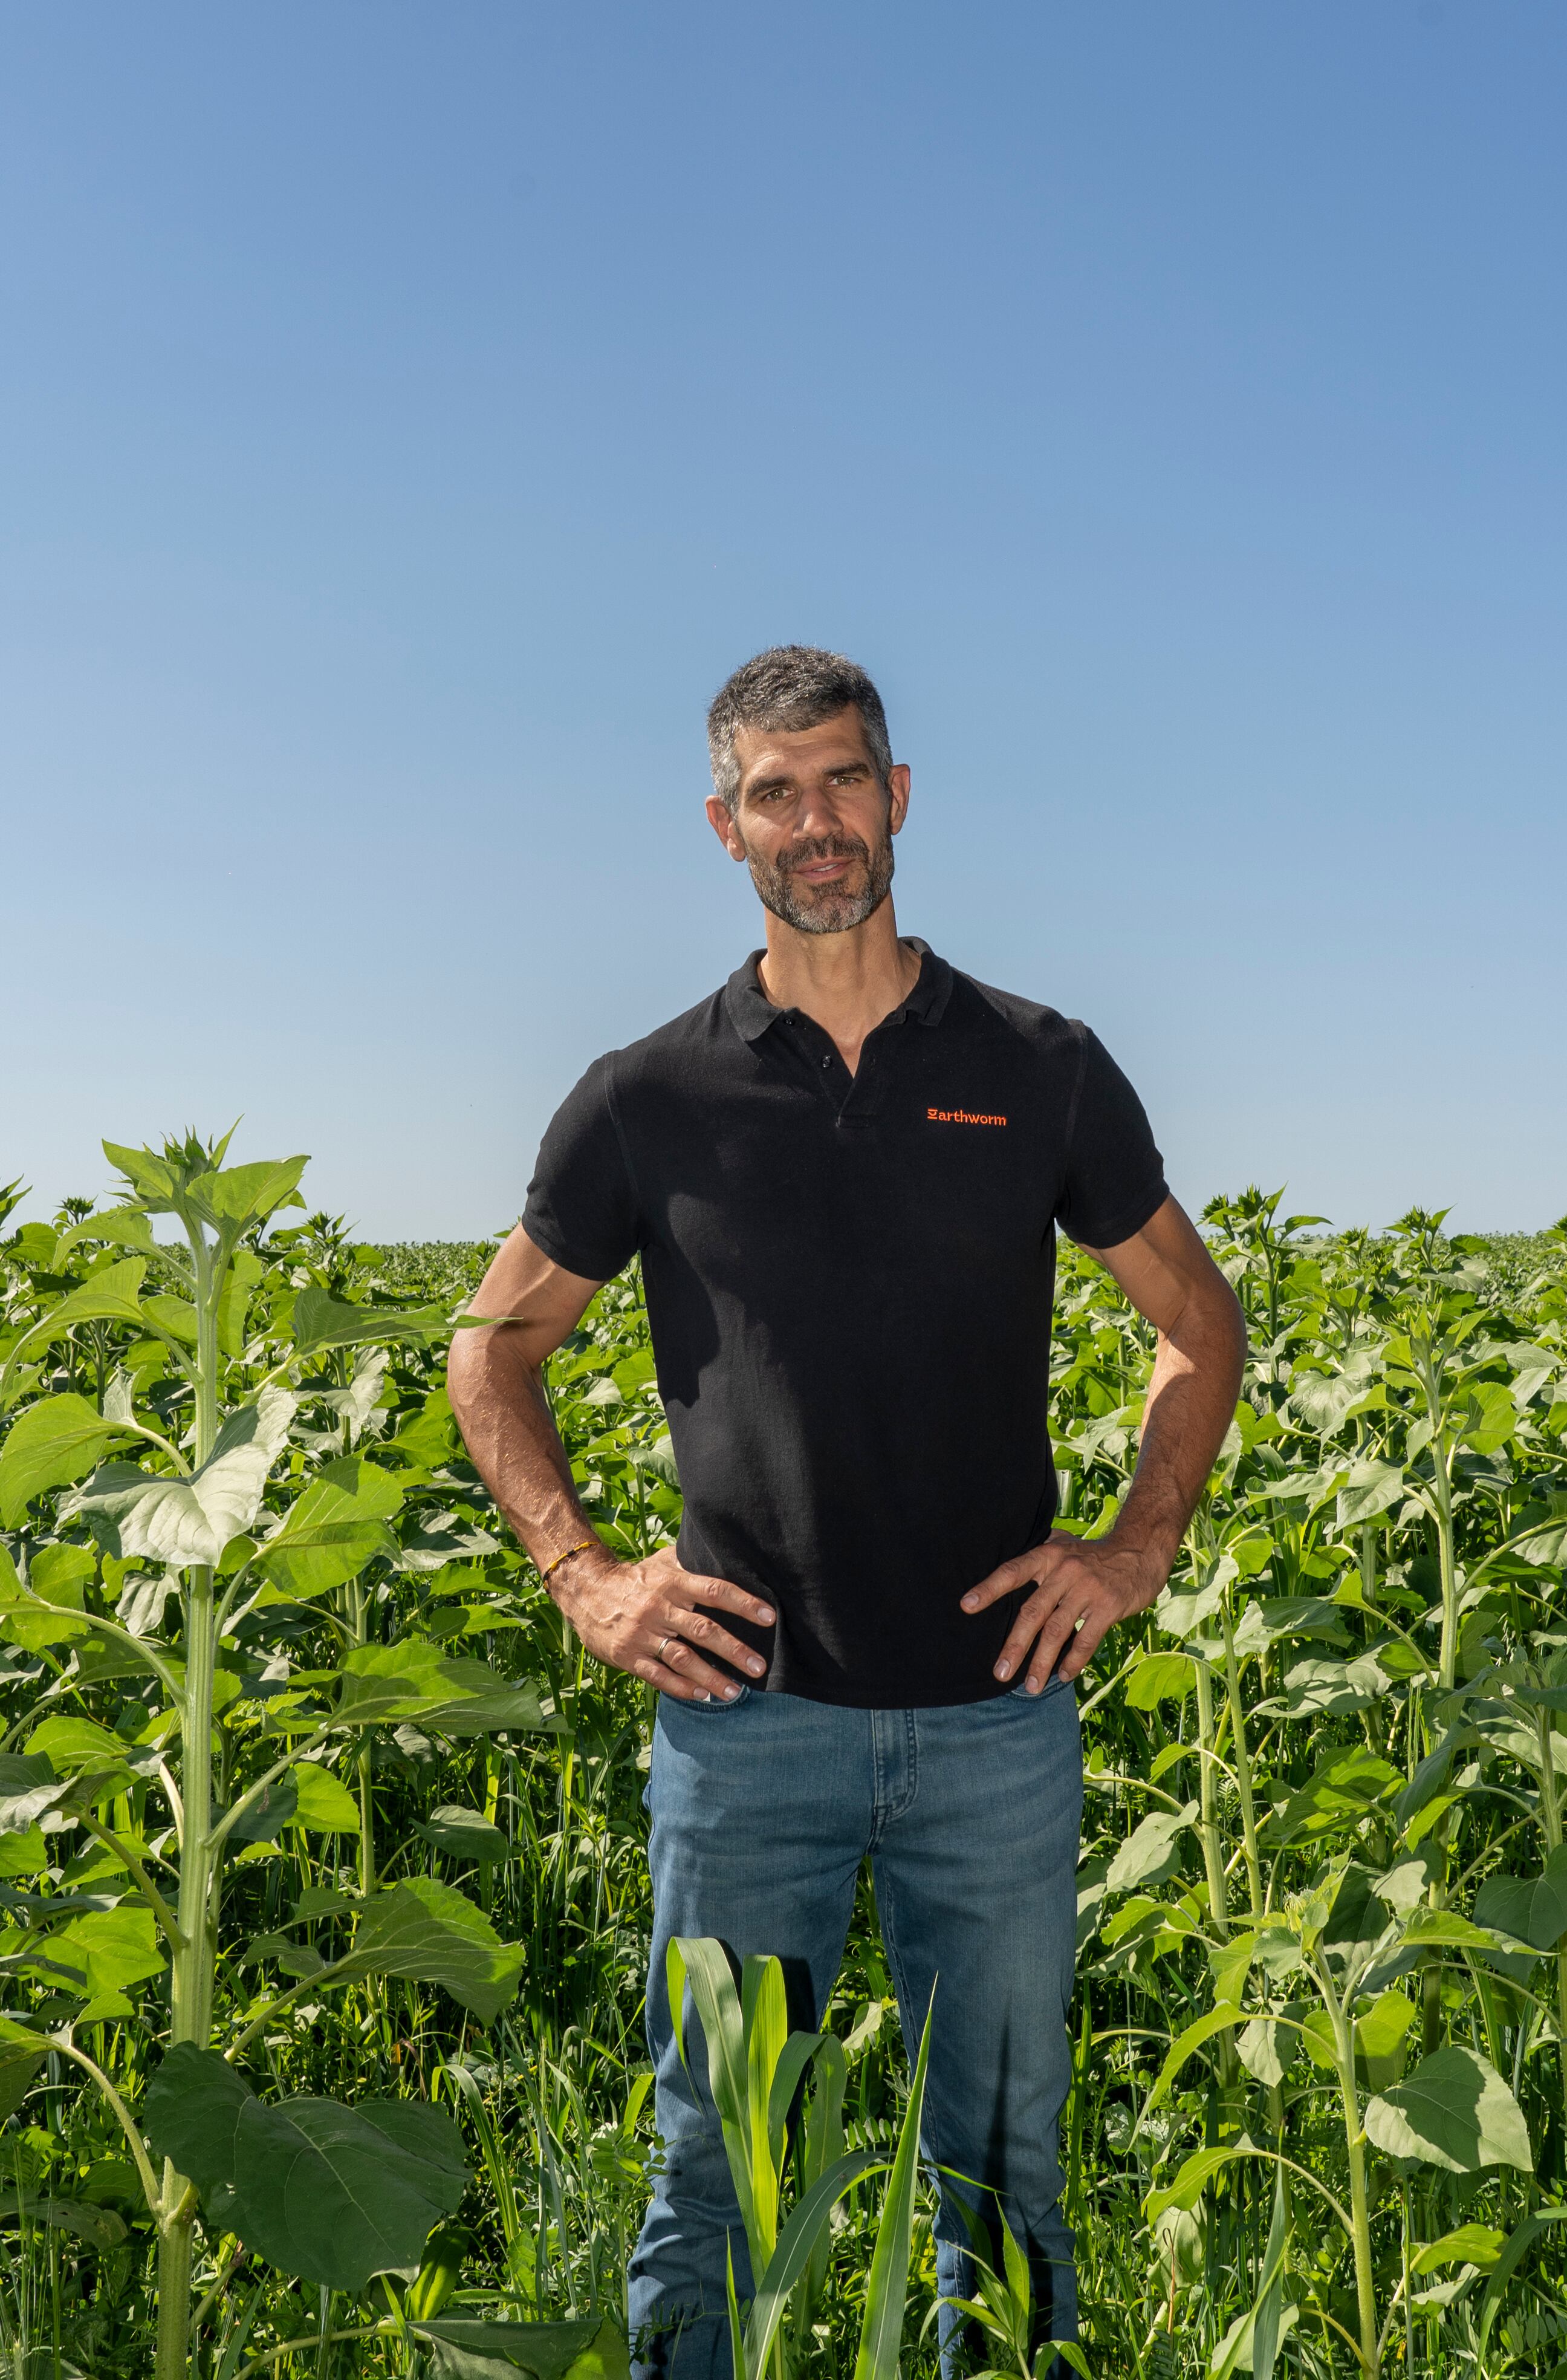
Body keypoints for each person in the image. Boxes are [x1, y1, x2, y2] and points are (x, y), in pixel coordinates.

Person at [447, 646, 1247, 2379]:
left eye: (845, 779)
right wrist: (585, 1576)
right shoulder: (648, 1095)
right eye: (776, 791)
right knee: (714, 2175)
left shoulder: (1041, 1066)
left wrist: (1136, 1548)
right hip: (747, 1733)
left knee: (1009, 2172)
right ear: (724, 825)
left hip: (999, 1730)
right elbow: (489, 1353)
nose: (817, 821)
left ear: (900, 796)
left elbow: (1200, 1321)